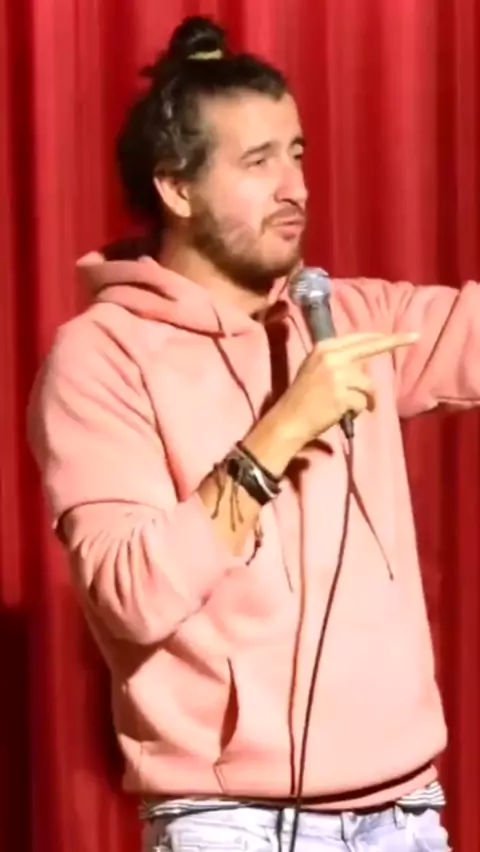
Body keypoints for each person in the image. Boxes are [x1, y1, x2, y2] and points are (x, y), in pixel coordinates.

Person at [30, 13, 480, 852]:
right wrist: (281, 430)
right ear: (177, 188)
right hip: (231, 822)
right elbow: (129, 592)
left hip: (406, 815)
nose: (295, 188)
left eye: (297, 154)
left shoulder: (347, 316)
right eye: (259, 161)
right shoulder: (102, 357)